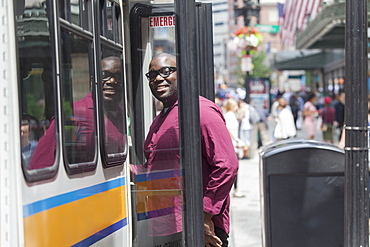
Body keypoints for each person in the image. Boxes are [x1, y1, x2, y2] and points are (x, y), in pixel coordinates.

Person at [143, 53, 238, 247]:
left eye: (166, 71)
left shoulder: (201, 111)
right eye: (152, 75)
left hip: (196, 228)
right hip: (164, 226)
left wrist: (203, 216)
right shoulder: (160, 118)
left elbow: (227, 165)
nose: (158, 78)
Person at [28, 56, 126, 169]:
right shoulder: (77, 113)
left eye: (118, 76)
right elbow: (39, 163)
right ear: (92, 81)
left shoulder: (121, 114)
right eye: (104, 75)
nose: (111, 81)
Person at [223, 99, 247, 198]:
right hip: (233, 145)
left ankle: (235, 189)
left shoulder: (229, 115)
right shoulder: (230, 116)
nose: (237, 107)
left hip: (233, 144)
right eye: (236, 106)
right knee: (234, 168)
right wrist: (238, 141)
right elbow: (229, 130)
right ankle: (235, 189)